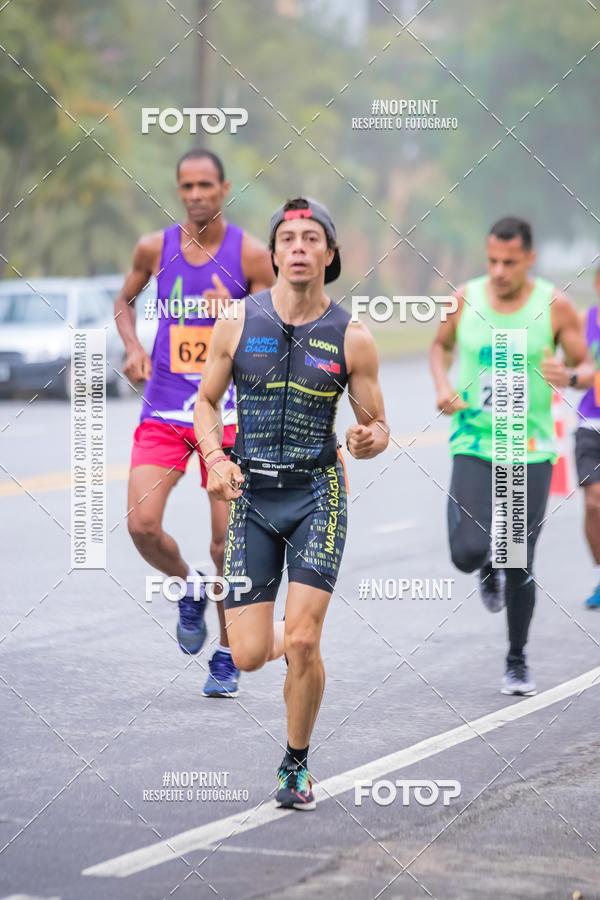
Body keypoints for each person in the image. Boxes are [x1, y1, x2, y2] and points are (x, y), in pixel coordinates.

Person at [194, 197, 389, 808]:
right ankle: (284, 629)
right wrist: (216, 458)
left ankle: (295, 764)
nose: (299, 247)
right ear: (274, 253)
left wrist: (367, 440)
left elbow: (378, 426)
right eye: (288, 238)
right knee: (249, 654)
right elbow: (205, 404)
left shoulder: (352, 337)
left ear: (330, 255)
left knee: (303, 643)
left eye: (312, 239)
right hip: (253, 497)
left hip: (316, 496)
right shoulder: (236, 322)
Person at [114, 148, 274, 697]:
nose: (196, 194)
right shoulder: (154, 248)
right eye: (187, 186)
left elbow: (282, 323)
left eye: (206, 185)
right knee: (141, 525)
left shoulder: (251, 256)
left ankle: (226, 654)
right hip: (163, 409)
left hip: (227, 415)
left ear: (224, 188)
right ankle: (188, 589)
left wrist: (240, 325)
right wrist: (134, 347)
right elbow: (124, 300)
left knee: (224, 541)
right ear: (179, 190)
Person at [430, 216, 586, 696]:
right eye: (492, 260)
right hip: (474, 441)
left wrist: (572, 376)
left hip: (530, 447)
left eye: (510, 262)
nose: (499, 271)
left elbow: (586, 365)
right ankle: (483, 565)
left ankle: (516, 659)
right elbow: (440, 346)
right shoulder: (464, 298)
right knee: (468, 552)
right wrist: (442, 386)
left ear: (530, 259)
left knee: (519, 558)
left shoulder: (555, 307)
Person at [541, 265, 600, 609]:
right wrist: (567, 375)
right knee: (594, 502)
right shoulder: (584, 320)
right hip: (590, 424)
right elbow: (568, 368)